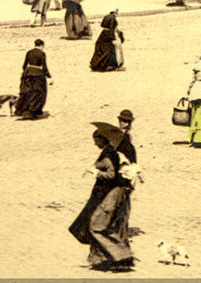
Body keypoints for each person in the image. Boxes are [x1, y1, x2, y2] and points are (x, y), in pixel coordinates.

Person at [68, 129, 137, 271]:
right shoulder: (110, 152)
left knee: (96, 225)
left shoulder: (109, 154)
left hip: (110, 194)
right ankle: (102, 258)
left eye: (96, 140)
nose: (95, 144)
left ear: (102, 139)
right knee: (102, 225)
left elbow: (110, 175)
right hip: (109, 194)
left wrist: (96, 172)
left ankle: (120, 256)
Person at [14, 38, 52, 119]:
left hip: (27, 73)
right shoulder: (42, 53)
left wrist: (25, 73)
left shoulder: (29, 52)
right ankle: (34, 111)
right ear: (41, 45)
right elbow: (44, 67)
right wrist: (49, 76)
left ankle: (22, 110)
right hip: (38, 74)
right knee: (39, 92)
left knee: (26, 91)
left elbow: (24, 65)